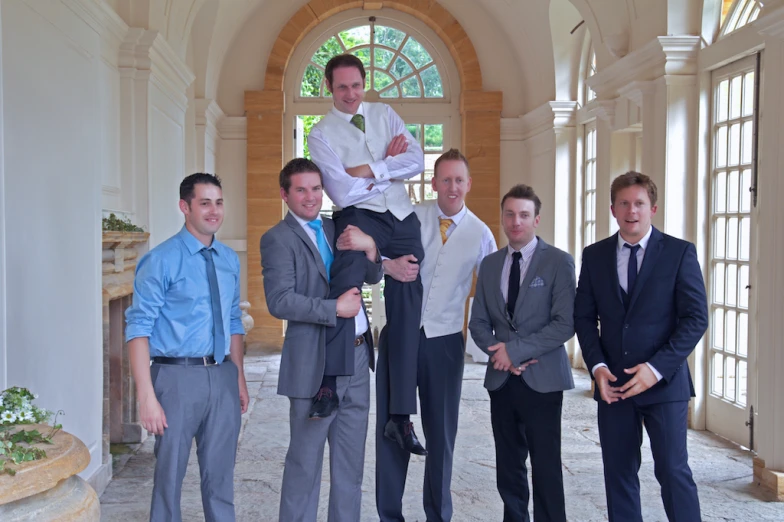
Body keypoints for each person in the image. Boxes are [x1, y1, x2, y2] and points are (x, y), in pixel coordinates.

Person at [308, 53, 426, 453]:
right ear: (329, 87)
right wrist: (387, 165)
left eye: (356, 85)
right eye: (341, 87)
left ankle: (401, 418)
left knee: (408, 296)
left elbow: (416, 161)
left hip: (402, 216)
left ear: (363, 83)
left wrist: (366, 169)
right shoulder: (320, 133)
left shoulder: (386, 113)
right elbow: (340, 191)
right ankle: (328, 382)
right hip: (360, 216)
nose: (350, 94)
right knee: (347, 280)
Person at [574, 171, 708, 522]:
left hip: (665, 385)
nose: (631, 211)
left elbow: (696, 319)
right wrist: (598, 368)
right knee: (618, 475)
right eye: (624, 203)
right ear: (612, 209)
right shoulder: (594, 256)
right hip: (614, 384)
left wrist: (656, 369)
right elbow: (584, 319)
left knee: (673, 472)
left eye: (639, 203)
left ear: (653, 209)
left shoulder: (679, 253)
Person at [260, 158, 383, 522]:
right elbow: (279, 301)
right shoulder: (277, 239)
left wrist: (372, 248)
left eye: (316, 188)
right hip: (313, 365)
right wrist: (333, 309)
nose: (311, 197)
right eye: (301, 189)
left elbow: (373, 275)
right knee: (305, 463)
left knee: (350, 466)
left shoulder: (338, 227)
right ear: (285, 194)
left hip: (358, 359)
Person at [378, 148, 497, 521]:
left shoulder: (481, 234)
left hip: (444, 343)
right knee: (392, 429)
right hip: (399, 337)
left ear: (468, 184)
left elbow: (495, 291)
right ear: (433, 182)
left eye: (459, 179)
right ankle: (390, 514)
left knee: (442, 434)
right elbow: (373, 256)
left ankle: (438, 515)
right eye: (445, 179)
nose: (452, 187)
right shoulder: (412, 216)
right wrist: (387, 265)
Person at [125, 173, 248, 522]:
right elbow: (138, 328)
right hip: (175, 378)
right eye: (205, 203)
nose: (214, 211)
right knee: (169, 478)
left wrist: (237, 377)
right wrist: (146, 397)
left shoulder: (228, 259)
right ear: (185, 207)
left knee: (221, 477)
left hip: (222, 376)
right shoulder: (161, 259)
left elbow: (234, 322)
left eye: (219, 202)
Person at [469, 184, 575, 522]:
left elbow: (564, 324)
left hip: (543, 379)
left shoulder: (558, 262)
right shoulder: (488, 265)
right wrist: (500, 355)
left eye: (524, 215)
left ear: (536, 219)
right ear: (502, 218)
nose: (516, 221)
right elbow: (478, 322)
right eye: (510, 214)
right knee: (508, 464)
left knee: (545, 464)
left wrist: (514, 352)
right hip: (502, 380)